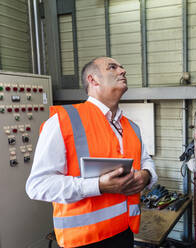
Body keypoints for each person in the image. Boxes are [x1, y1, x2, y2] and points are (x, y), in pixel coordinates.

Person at [26, 57, 158, 248]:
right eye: (112, 67)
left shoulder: (132, 127)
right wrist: (97, 185)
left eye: (122, 67)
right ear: (93, 80)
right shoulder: (63, 121)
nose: (122, 71)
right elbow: (37, 185)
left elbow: (145, 160)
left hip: (125, 233)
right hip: (84, 240)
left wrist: (146, 176)